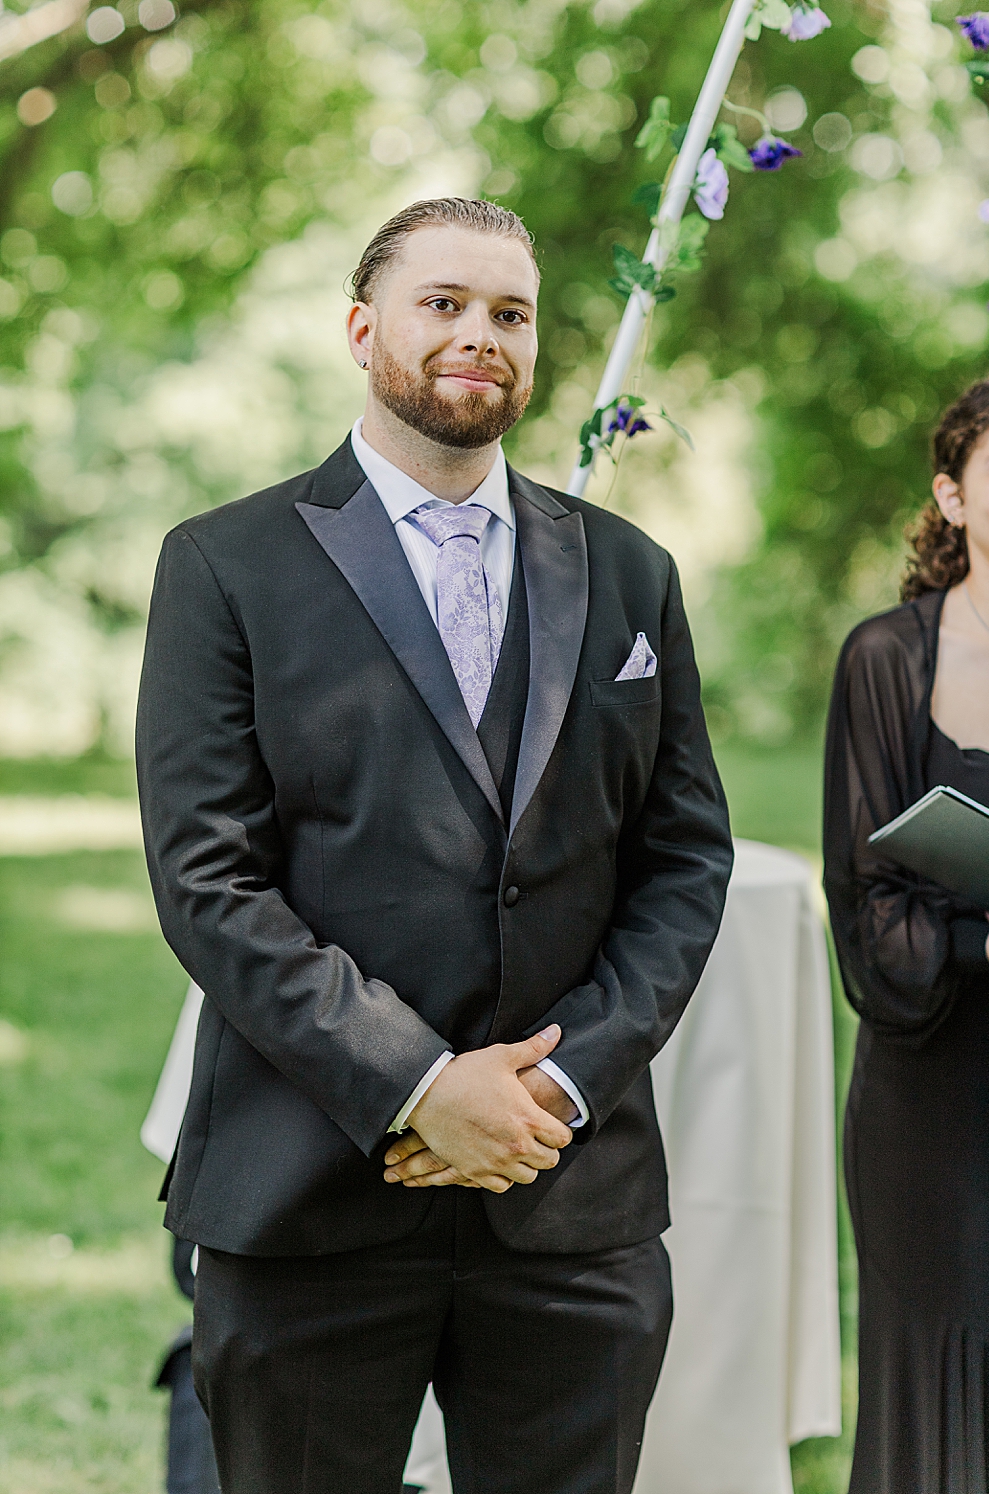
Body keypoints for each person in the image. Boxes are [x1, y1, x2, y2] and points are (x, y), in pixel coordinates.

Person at [134, 197, 735, 1493]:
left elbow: (685, 863)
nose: (482, 334)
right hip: (311, 1188)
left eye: (510, 313)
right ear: (363, 329)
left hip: (568, 1193)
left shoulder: (632, 576)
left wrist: (549, 1092)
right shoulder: (224, 565)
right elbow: (207, 879)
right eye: (444, 303)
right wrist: (419, 1084)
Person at [822, 378, 989, 1494]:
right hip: (926, 1084)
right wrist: (986, 944)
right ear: (951, 494)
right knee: (926, 1385)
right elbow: (864, 901)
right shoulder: (887, 657)